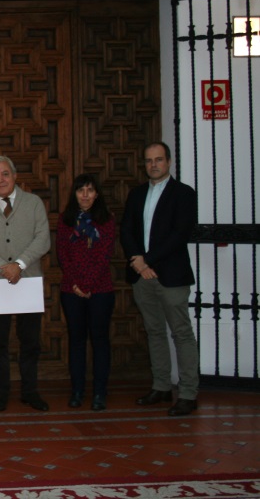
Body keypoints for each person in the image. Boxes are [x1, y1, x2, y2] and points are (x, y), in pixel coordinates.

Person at [120, 141, 199, 417]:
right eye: (149, 160)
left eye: (159, 159)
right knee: (154, 332)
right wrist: (137, 261)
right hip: (142, 276)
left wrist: (147, 260)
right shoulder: (137, 194)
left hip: (172, 276)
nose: (153, 164)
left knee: (182, 334)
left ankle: (188, 393)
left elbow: (179, 235)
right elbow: (126, 230)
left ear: (169, 162)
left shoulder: (184, 194)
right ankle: (161, 386)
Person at [0, 156, 51, 413]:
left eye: (4, 174)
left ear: (15, 176)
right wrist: (4, 267)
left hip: (27, 282)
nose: (0, 180)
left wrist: (19, 264)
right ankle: (1, 393)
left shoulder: (33, 203)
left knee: (30, 341)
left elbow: (43, 239)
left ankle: (30, 392)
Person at [56, 174, 115, 411]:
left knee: (100, 341)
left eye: (90, 190)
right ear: (75, 194)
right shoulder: (65, 220)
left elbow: (104, 256)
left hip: (100, 290)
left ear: (97, 194)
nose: (85, 195)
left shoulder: (107, 220)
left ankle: (100, 393)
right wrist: (76, 284)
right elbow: (63, 254)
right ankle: (77, 391)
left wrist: (88, 284)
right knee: (77, 342)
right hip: (71, 290)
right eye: (81, 190)